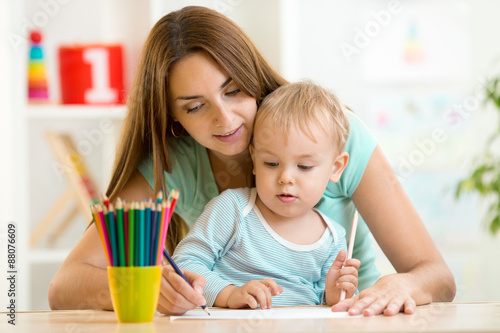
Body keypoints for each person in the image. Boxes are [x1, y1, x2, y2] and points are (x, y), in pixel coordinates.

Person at [48, 6, 456, 316]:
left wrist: (401, 286)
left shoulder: (329, 134)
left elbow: (436, 276)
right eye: (195, 107)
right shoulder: (172, 163)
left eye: (234, 90)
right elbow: (65, 283)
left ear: (254, 76)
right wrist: (147, 286)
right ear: (171, 116)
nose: (225, 120)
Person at [172, 81, 360, 309]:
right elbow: (185, 264)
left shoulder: (333, 238)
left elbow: (329, 305)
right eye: (271, 163)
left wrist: (334, 296)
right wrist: (229, 294)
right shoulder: (232, 209)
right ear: (254, 158)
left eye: (304, 166)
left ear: (336, 167)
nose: (286, 178)